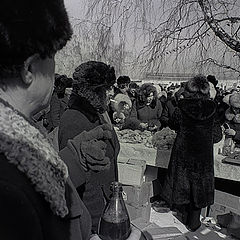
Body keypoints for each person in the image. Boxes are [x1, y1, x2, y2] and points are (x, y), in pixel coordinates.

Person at [0, 1, 141, 240]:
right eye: (53, 55)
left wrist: (76, 157)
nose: (55, 69)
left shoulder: (17, 139)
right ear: (29, 68)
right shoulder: (9, 184)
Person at [58, 61, 120, 233]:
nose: (111, 92)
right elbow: (76, 182)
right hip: (93, 212)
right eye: (106, 88)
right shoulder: (73, 119)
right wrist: (93, 224)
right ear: (92, 92)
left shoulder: (99, 113)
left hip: (107, 200)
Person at [161, 75, 222, 231]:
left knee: (184, 183)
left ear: (188, 90)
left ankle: (182, 214)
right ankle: (194, 222)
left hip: (184, 154)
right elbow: (217, 136)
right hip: (203, 156)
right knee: (200, 185)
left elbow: (173, 124)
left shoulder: (182, 107)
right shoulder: (212, 108)